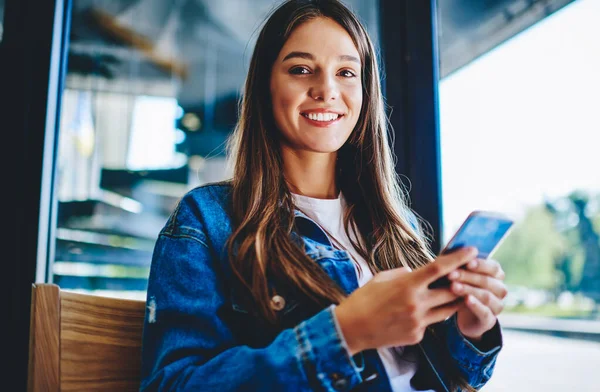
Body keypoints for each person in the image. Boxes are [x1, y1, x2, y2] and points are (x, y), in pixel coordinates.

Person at [139, 1, 506, 391]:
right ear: (265, 86)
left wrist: (471, 331)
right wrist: (345, 332)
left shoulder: (401, 229)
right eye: (300, 70)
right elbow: (172, 384)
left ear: (365, 94)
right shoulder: (207, 220)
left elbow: (442, 377)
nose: (327, 90)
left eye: (346, 72)